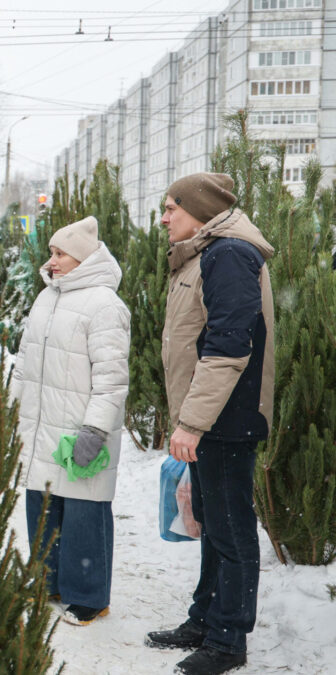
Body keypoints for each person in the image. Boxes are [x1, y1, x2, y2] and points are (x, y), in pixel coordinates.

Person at [145, 172, 275, 675]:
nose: (164, 217)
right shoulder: (205, 254)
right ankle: (206, 618)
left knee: (231, 529)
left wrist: (193, 424)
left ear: (199, 210)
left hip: (227, 419)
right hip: (210, 418)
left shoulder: (229, 256)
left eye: (172, 207)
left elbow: (226, 348)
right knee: (213, 522)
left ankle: (228, 640)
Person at [14, 216, 130, 627]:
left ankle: (89, 596)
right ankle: (48, 582)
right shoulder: (46, 299)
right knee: (43, 506)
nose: (53, 260)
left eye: (60, 253)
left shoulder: (104, 306)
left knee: (84, 513)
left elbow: (112, 378)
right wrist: (12, 411)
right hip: (42, 423)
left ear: (82, 258)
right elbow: (25, 362)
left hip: (80, 428)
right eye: (52, 252)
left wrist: (95, 429)